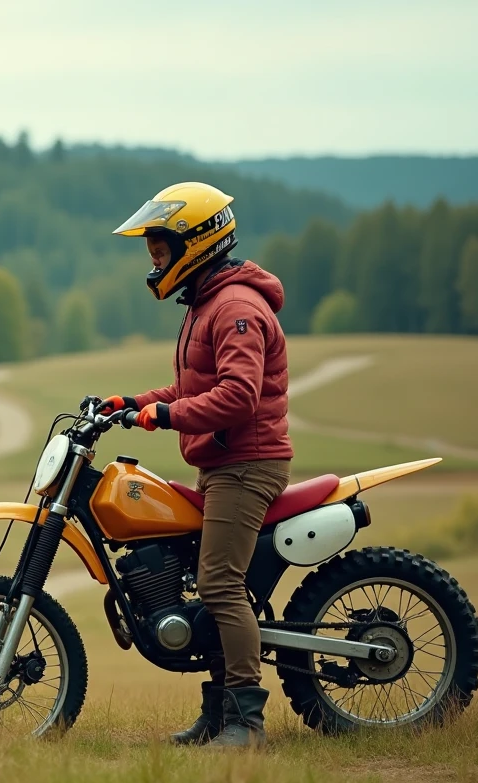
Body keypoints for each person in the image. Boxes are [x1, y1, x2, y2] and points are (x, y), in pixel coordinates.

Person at [98, 182, 292, 748]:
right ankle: (217, 713)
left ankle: (246, 722)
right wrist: (131, 403)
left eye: (160, 250)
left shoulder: (235, 309)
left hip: (248, 465)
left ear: (195, 243)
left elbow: (238, 396)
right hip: (223, 463)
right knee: (206, 584)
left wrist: (163, 416)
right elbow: (192, 387)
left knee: (219, 583)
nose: (154, 263)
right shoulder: (206, 303)